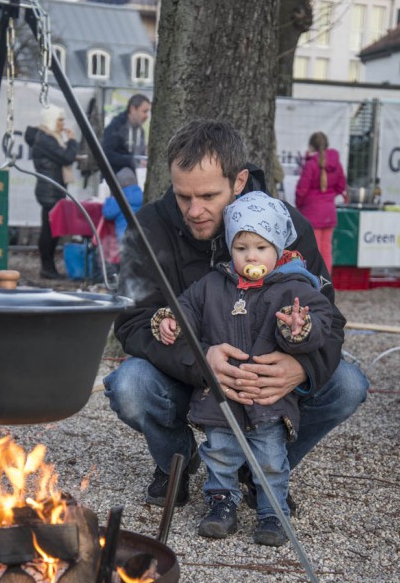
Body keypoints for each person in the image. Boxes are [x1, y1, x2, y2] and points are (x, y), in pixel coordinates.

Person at [103, 119, 368, 514]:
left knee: (347, 384)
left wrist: (302, 366)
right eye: (183, 196)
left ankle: (260, 472)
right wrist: (199, 360)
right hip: (186, 375)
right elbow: (133, 322)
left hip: (268, 385)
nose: (194, 210)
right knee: (129, 386)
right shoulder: (149, 227)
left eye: (208, 196)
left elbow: (329, 318)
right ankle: (177, 460)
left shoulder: (286, 225)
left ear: (239, 180)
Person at [150, 191, 333, 545]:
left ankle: (272, 512)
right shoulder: (214, 284)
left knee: (270, 458)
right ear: (230, 249)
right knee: (219, 452)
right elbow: (188, 306)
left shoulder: (294, 288)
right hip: (221, 397)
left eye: (261, 248)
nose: (251, 256)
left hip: (267, 399)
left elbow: (322, 321)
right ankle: (221, 503)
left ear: (277, 249)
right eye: (241, 247)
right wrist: (172, 319)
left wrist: (299, 330)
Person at [25, 105, 79, 279]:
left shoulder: (49, 137)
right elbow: (66, 157)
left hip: (53, 188)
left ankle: (48, 267)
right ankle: (47, 268)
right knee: (50, 230)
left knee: (51, 229)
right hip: (50, 190)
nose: (63, 123)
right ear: (51, 120)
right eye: (60, 120)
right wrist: (72, 141)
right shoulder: (46, 139)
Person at [295, 131, 347, 275]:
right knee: (326, 250)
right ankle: (326, 280)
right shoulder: (336, 164)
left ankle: (313, 280)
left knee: (313, 250)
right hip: (329, 212)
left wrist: (299, 205)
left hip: (311, 213)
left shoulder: (310, 164)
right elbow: (341, 186)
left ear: (311, 146)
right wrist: (328, 197)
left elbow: (301, 190)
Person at [102, 94, 151, 174]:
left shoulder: (140, 131)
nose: (146, 116)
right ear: (133, 109)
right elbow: (107, 154)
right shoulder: (116, 127)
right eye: (144, 111)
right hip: (115, 176)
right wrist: (131, 160)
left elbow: (139, 153)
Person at [101, 167, 144, 249]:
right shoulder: (142, 195)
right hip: (142, 235)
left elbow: (108, 213)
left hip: (124, 236)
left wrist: (109, 198)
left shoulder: (120, 198)